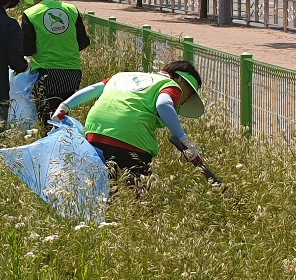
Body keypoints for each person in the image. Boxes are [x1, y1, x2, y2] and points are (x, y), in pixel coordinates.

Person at [54, 60, 205, 186]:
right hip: (131, 139)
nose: (185, 100)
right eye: (189, 93)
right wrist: (183, 139)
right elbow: (163, 105)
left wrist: (64, 106)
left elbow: (94, 88)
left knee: (103, 187)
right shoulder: (170, 85)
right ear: (180, 79)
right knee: (137, 192)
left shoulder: (123, 76)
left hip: (95, 133)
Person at [20, 0, 90, 119]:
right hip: (72, 73)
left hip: (45, 74)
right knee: (64, 116)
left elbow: (27, 48)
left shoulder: (31, 13)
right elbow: (83, 41)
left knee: (46, 119)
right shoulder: (71, 10)